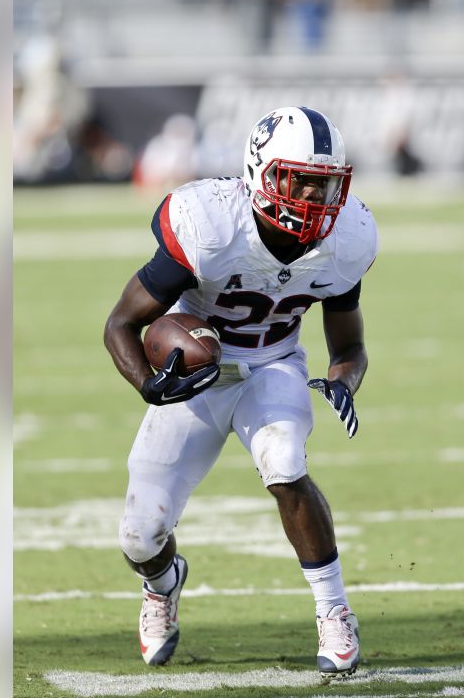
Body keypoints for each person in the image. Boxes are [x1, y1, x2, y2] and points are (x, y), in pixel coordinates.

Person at [103, 106, 376, 677]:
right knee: (139, 534)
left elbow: (349, 346)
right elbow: (121, 326)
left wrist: (344, 381)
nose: (315, 196)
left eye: (325, 183)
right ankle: (162, 583)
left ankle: (334, 611)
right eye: (301, 179)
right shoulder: (211, 223)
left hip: (274, 365)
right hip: (198, 375)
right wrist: (152, 386)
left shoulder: (347, 238)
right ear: (262, 171)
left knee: (285, 461)